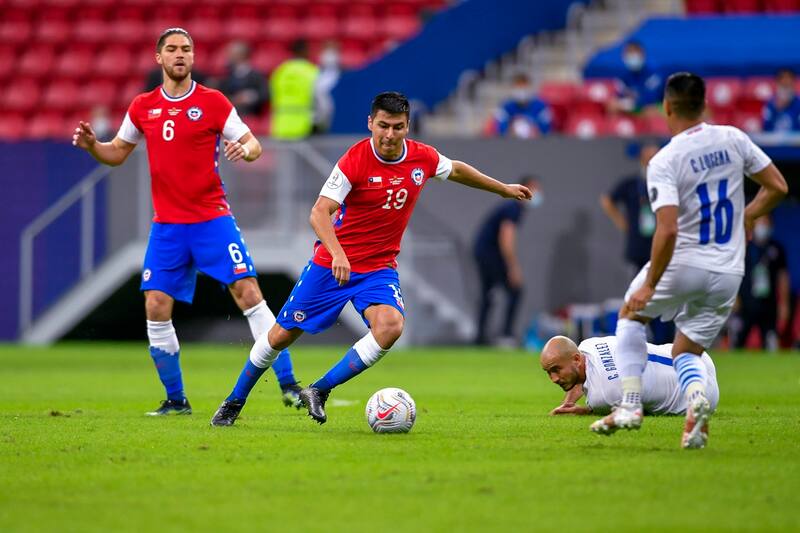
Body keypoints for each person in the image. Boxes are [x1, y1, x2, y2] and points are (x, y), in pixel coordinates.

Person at [210, 91, 533, 426]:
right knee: (280, 336)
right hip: (331, 266)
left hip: (378, 268)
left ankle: (319, 390)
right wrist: (338, 254)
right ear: (370, 123)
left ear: (408, 126)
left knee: (390, 326)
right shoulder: (355, 159)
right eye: (383, 126)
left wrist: (502, 188)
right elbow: (320, 213)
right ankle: (234, 401)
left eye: (397, 127)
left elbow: (457, 170)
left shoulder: (422, 157)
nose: (390, 134)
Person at [72, 28, 302, 416]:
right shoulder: (143, 106)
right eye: (172, 49)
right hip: (168, 227)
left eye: (186, 49)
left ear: (193, 57)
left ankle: (289, 384)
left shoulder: (212, 101)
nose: (180, 55)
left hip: (212, 219)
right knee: (156, 304)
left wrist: (244, 150)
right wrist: (94, 146)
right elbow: (117, 153)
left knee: (248, 292)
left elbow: (253, 143)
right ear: (159, 57)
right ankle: (176, 400)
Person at [590, 72, 787, 449]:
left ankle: (630, 405)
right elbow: (778, 186)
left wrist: (650, 284)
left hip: (686, 259)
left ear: (667, 107)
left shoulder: (665, 159)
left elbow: (666, 230)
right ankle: (696, 400)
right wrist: (747, 216)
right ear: (705, 104)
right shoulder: (733, 138)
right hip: (728, 271)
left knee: (631, 315)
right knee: (686, 350)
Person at [600, 142, 673, 344]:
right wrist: (624, 224)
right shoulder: (632, 184)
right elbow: (607, 200)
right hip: (639, 250)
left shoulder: (667, 182)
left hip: (664, 249)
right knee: (638, 294)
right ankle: (646, 338)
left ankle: (664, 339)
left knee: (666, 296)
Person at [541, 335, 719, 416]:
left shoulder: (602, 397)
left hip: (703, 395)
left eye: (556, 370)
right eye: (549, 372)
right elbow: (584, 375)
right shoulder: (589, 345)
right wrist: (568, 402)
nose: (554, 379)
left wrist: (582, 411)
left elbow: (608, 403)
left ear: (576, 359)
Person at [472, 175, 540, 346]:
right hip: (490, 254)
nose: (537, 193)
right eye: (534, 188)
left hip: (483, 253)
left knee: (488, 295)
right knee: (515, 291)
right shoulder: (513, 208)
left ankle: (480, 337)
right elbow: (506, 239)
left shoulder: (511, 207)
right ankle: (506, 335)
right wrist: (512, 267)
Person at [733, 215, 790, 350]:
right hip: (745, 303)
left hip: (768, 304)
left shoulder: (776, 248)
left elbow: (783, 278)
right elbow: (733, 273)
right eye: (760, 222)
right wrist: (734, 298)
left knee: (770, 342)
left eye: (766, 222)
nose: (763, 226)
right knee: (738, 342)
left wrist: (784, 304)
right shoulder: (744, 247)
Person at [269, 39, 319, 140]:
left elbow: (273, 96)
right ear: (305, 51)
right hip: (305, 126)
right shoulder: (312, 71)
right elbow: (318, 99)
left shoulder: (281, 71)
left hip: (281, 126)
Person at [608, 41, 663, 116]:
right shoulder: (623, 77)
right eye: (628, 54)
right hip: (632, 109)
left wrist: (633, 101)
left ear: (642, 54)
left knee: (650, 110)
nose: (631, 57)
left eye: (634, 54)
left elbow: (650, 100)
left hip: (653, 110)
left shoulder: (653, 75)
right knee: (612, 106)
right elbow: (618, 96)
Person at [492, 73, 552, 138]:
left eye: (524, 86)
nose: (521, 90)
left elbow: (546, 129)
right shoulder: (505, 107)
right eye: (518, 87)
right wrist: (510, 131)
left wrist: (535, 130)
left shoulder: (541, 106)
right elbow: (500, 128)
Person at [218, 40, 269, 118]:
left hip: (251, 115)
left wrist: (249, 97)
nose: (228, 56)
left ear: (242, 55)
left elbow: (265, 94)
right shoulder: (226, 74)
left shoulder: (257, 76)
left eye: (232, 54)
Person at [762, 69, 800, 133]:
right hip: (774, 138)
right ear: (777, 84)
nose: (785, 91)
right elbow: (766, 128)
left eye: (788, 86)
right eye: (783, 86)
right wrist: (776, 110)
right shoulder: (770, 104)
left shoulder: (798, 103)